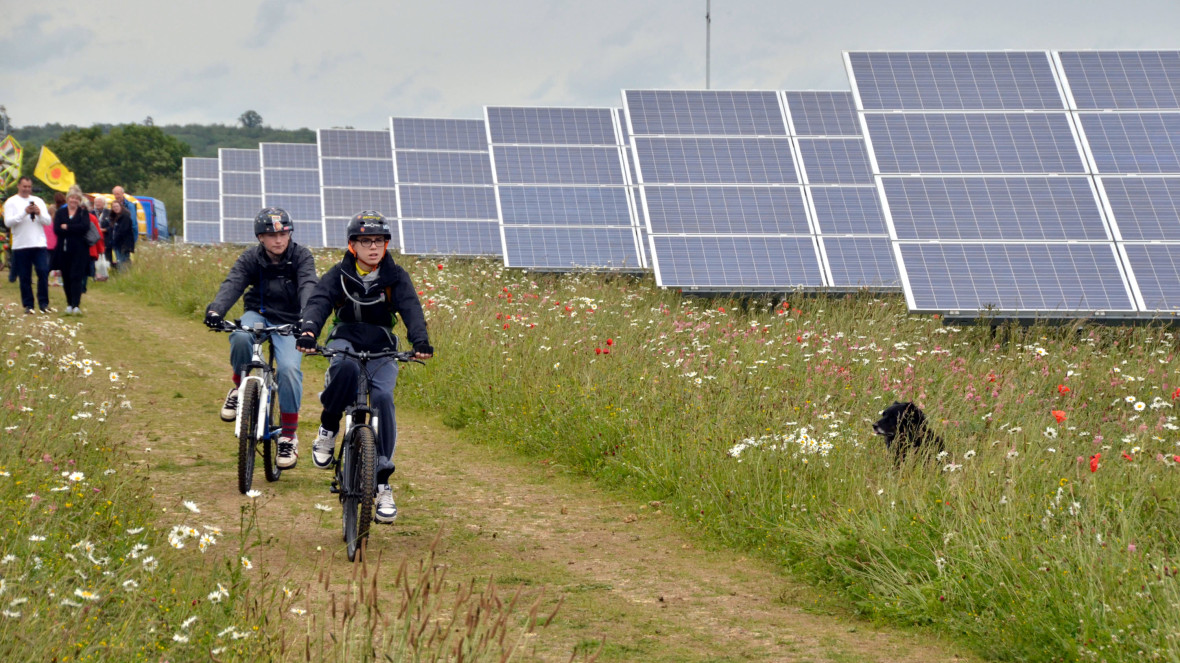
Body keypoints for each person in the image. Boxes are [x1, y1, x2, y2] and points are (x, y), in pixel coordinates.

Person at [296, 211, 433, 523]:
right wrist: (308, 332)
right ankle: (328, 428)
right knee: (343, 370)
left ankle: (383, 482)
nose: (374, 247)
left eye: (379, 241)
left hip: (382, 345)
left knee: (383, 398)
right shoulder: (339, 274)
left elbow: (410, 308)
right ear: (351, 245)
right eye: (366, 241)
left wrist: (420, 341)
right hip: (345, 338)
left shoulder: (395, 277)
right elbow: (319, 302)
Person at [204, 208, 318, 469]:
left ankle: (288, 436)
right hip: (259, 314)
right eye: (271, 235)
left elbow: (308, 285)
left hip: (291, 320)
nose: (278, 240)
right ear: (260, 238)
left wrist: (307, 319)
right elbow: (233, 283)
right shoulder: (250, 258)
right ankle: (238, 387)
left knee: (289, 369)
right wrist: (215, 310)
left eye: (283, 233)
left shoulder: (301, 256)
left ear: (289, 234)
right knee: (241, 336)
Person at [3, 176, 52, 313]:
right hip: (21, 244)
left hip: (39, 243)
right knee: (25, 276)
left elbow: (47, 221)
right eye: (24, 186)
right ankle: (29, 305)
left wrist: (39, 213)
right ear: (19, 186)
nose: (27, 189)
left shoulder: (39, 201)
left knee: (43, 271)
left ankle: (43, 303)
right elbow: (8, 222)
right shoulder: (11, 202)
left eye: (29, 187)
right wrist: (24, 213)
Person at [53, 186, 93, 315]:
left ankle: (76, 304)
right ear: (68, 198)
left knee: (76, 276)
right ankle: (69, 303)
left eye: (77, 198)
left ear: (79, 200)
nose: (74, 200)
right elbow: (57, 229)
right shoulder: (60, 213)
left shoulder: (83, 213)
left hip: (80, 251)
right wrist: (73, 229)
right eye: (72, 197)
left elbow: (84, 227)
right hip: (63, 250)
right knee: (66, 277)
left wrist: (68, 227)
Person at [111, 186, 135, 267]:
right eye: (115, 194)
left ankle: (125, 275)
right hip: (117, 240)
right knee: (121, 260)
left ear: (122, 194)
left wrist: (133, 240)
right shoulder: (114, 207)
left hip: (125, 239)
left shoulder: (130, 206)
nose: (117, 196)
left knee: (123, 260)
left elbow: (133, 224)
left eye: (118, 194)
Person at [93, 195, 114, 265]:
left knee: (107, 257)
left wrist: (104, 229)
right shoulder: (91, 213)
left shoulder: (109, 212)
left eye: (99, 202)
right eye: (96, 202)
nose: (98, 204)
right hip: (94, 240)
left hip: (106, 239)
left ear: (104, 203)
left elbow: (112, 226)